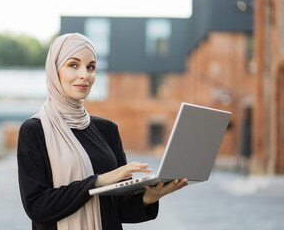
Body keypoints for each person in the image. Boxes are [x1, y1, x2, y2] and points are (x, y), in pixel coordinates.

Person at [17, 33, 188, 230]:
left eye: (91, 67)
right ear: (54, 70)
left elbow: (120, 209)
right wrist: (97, 182)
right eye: (73, 65)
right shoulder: (34, 131)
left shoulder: (107, 130)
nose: (85, 74)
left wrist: (149, 198)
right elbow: (38, 207)